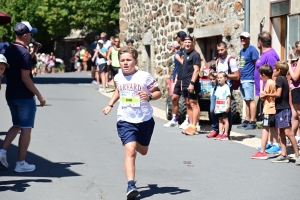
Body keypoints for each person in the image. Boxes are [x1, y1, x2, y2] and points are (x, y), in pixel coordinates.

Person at [102, 46, 162, 198]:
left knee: (143, 151)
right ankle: (131, 185)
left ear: (135, 61)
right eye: (122, 60)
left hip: (144, 119)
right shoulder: (117, 77)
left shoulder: (144, 76)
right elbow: (119, 90)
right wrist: (110, 104)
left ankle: (137, 144)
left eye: (128, 60)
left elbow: (158, 92)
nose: (125, 63)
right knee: (130, 150)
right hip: (125, 119)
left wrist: (148, 96)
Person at [0, 21, 46, 172]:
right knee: (26, 128)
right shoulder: (24, 53)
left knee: (17, 124)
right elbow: (25, 77)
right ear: (25, 35)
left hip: (11, 93)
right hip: (24, 96)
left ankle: (2, 151)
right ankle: (21, 163)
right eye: (31, 34)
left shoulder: (8, 50)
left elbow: (16, 65)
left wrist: (33, 52)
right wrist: (39, 95)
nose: (32, 36)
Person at [260, 61, 300, 164]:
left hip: (284, 109)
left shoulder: (280, 79)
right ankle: (284, 154)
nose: (273, 71)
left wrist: (266, 94)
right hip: (280, 109)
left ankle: (297, 154)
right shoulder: (282, 79)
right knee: (281, 132)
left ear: (279, 71)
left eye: (275, 69)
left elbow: (278, 94)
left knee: (288, 132)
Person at [255, 31, 281, 154]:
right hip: (264, 93)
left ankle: (276, 143)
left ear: (259, 43)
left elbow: (273, 75)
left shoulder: (270, 55)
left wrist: (268, 92)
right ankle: (270, 142)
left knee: (271, 119)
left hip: (268, 94)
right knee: (268, 120)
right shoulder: (265, 53)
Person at [214, 42, 239, 138]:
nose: (220, 52)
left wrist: (225, 76)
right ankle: (219, 131)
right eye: (218, 50)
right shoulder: (218, 61)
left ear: (226, 48)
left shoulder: (230, 60)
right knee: (216, 110)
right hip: (218, 87)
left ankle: (226, 133)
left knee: (226, 112)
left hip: (227, 86)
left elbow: (236, 76)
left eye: (222, 50)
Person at [251, 64, 276, 159]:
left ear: (264, 75)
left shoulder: (269, 83)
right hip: (270, 109)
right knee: (270, 129)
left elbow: (262, 96)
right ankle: (270, 145)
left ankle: (262, 151)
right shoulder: (272, 82)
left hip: (268, 109)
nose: (260, 77)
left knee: (265, 129)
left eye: (260, 75)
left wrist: (261, 85)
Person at [238, 32, 259, 130]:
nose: (243, 39)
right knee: (246, 100)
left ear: (249, 39)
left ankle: (253, 121)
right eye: (241, 38)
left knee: (250, 99)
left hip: (249, 78)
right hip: (242, 78)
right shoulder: (242, 51)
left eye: (245, 38)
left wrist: (257, 77)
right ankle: (247, 119)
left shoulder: (252, 50)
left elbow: (257, 65)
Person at [180, 36, 201, 136]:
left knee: (194, 104)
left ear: (193, 43)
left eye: (189, 42)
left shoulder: (195, 55)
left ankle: (194, 126)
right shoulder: (185, 54)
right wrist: (182, 83)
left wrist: (192, 83)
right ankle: (190, 124)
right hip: (184, 84)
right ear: (183, 43)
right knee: (188, 104)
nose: (187, 44)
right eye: (186, 42)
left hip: (192, 84)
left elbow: (196, 70)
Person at [163, 40, 182, 127]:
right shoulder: (176, 54)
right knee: (174, 98)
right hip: (175, 77)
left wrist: (177, 76)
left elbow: (181, 66)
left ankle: (178, 119)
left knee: (176, 98)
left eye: (171, 46)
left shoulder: (179, 54)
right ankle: (174, 119)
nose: (170, 48)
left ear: (174, 47)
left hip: (179, 78)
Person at [288, 41, 300, 147]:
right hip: (295, 89)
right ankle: (292, 137)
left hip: (298, 89)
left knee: (298, 114)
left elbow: (295, 77)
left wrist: (289, 65)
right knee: (295, 115)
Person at [213, 72, 231, 140]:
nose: (219, 79)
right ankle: (220, 133)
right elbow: (217, 98)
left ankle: (226, 134)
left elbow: (228, 97)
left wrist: (228, 106)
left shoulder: (226, 87)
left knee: (225, 120)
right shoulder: (218, 87)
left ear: (225, 78)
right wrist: (215, 107)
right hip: (218, 107)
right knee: (220, 120)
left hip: (224, 106)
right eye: (218, 78)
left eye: (221, 78)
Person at [207, 70, 219, 137]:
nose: (212, 81)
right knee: (211, 111)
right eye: (210, 79)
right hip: (212, 97)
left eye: (213, 79)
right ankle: (215, 128)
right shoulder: (211, 85)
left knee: (218, 113)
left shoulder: (218, 85)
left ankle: (218, 129)